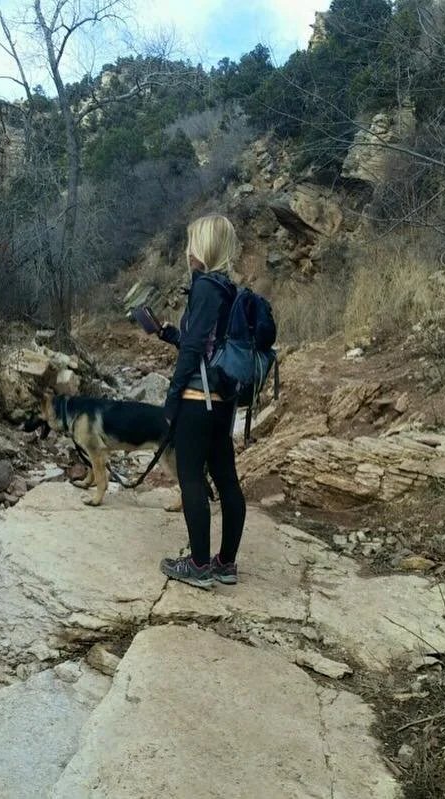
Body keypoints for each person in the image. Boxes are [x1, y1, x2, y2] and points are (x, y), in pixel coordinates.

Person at [157, 214, 246, 590]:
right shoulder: (231, 291)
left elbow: (194, 351)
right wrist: (171, 334)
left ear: (204, 247)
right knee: (226, 478)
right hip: (223, 401)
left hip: (196, 401)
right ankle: (225, 564)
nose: (187, 249)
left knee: (191, 478)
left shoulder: (205, 288)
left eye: (192, 242)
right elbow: (208, 346)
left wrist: (172, 400)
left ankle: (197, 565)